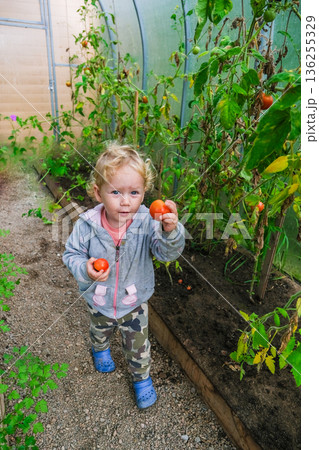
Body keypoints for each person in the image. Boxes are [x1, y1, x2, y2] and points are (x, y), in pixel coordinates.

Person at [63, 142, 185, 409]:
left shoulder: (148, 222)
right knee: (99, 329)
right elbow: (70, 254)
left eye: (134, 192)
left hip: (134, 301)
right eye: (116, 191)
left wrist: (170, 232)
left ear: (144, 193)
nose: (126, 200)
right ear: (98, 192)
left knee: (138, 345)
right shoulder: (87, 225)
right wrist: (86, 268)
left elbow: (166, 253)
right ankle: (100, 349)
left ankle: (141, 379)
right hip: (99, 298)